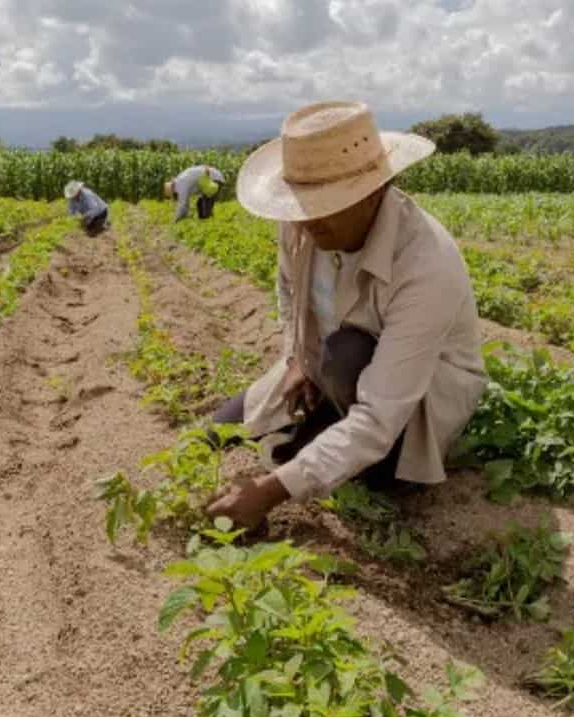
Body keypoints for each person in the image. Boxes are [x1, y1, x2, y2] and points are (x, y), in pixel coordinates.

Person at [205, 100, 486, 531]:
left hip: (410, 400)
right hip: (325, 368)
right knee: (214, 432)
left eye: (325, 204)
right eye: (302, 204)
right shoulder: (300, 224)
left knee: (346, 356)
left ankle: (376, 469)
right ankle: (323, 423)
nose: (307, 220)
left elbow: (378, 418)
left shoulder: (426, 263)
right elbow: (287, 291)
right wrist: (297, 357)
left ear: (373, 192)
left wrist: (270, 491)